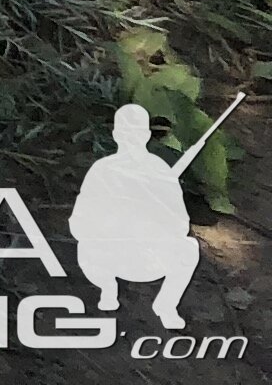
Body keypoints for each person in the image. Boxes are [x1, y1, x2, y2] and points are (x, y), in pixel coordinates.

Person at [69, 105, 203, 328]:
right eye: (127, 133)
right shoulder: (102, 169)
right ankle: (108, 288)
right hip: (108, 256)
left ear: (146, 135)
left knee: (188, 247)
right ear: (117, 135)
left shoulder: (159, 171)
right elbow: (79, 221)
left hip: (148, 258)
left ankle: (166, 305)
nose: (131, 138)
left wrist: (153, 219)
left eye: (135, 133)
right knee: (85, 246)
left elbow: (180, 224)